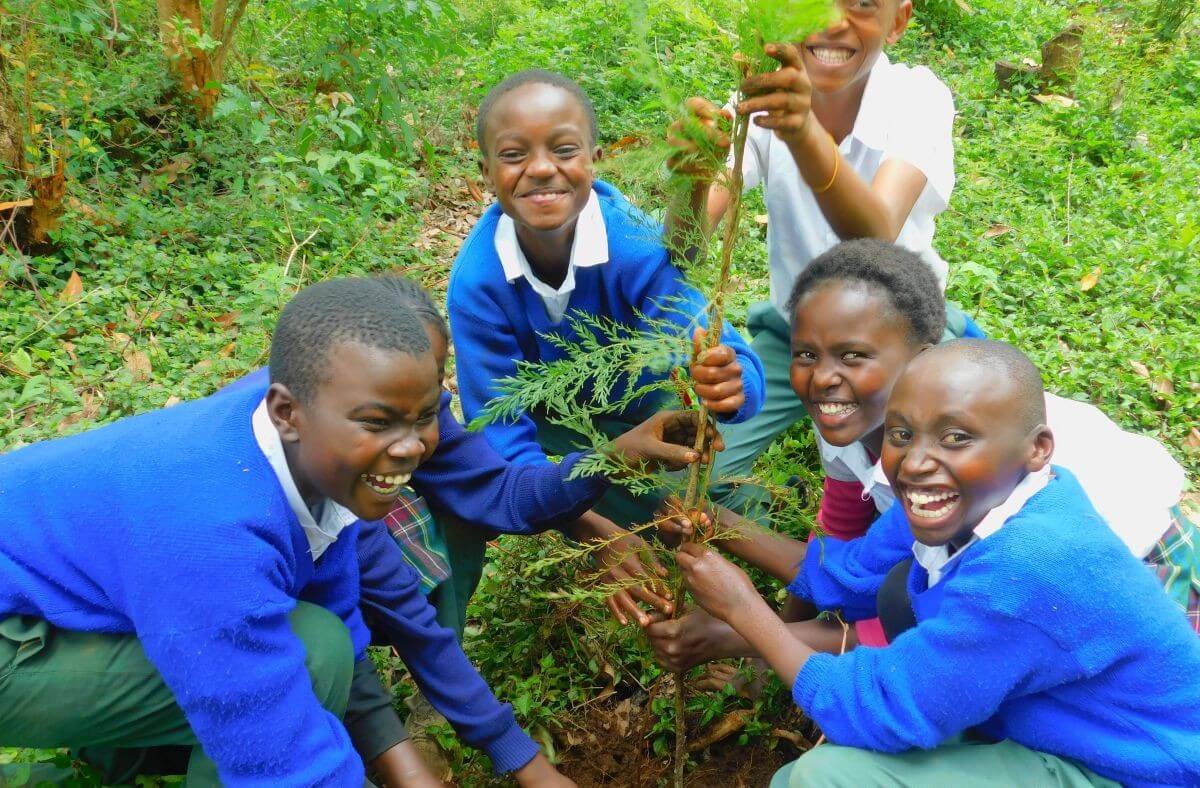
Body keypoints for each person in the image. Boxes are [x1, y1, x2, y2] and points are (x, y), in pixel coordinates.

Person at [0, 278, 570, 787]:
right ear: (286, 413)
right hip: (14, 635)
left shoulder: (312, 456)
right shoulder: (214, 532)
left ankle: (112, 760)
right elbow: (274, 748)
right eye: (376, 422)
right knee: (295, 666)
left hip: (64, 596)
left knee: (319, 645)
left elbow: (354, 616)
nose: (411, 446)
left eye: (425, 417)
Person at [647, 240, 1196, 672]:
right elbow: (839, 554)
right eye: (806, 355)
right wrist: (711, 523)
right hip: (1015, 588)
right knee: (890, 588)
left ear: (923, 358)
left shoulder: (995, 464)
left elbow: (945, 639)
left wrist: (747, 635)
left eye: (854, 356)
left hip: (1148, 572)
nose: (823, 379)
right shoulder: (856, 421)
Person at [675, 340, 1200, 787]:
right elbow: (846, 578)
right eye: (901, 434)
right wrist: (704, 517)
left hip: (1132, 768)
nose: (918, 461)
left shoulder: (1028, 567)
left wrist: (743, 610)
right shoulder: (964, 496)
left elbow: (881, 710)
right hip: (1057, 720)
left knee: (823, 777)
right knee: (794, 778)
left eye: (956, 437)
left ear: (1038, 449)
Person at [664, 0, 981, 508]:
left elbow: (875, 238)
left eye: (861, 4)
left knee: (927, 488)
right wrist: (692, 180)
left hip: (899, 332)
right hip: (796, 333)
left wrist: (804, 132)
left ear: (897, 21)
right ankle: (765, 531)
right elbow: (684, 248)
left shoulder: (917, 99)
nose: (833, 21)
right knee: (690, 479)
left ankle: (952, 349)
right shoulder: (761, 98)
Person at [447, 69, 766, 546]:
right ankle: (618, 502)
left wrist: (731, 383)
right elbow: (501, 430)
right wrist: (580, 520)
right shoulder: (478, 285)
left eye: (564, 150)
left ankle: (650, 496)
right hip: (559, 425)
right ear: (485, 170)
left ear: (594, 160)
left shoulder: (633, 250)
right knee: (644, 505)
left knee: (732, 501)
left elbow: (727, 355)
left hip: (645, 404)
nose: (539, 168)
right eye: (514, 155)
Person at [378, 277, 718, 632]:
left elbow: (500, 492)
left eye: (428, 399)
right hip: (328, 603)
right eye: (377, 418)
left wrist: (613, 457)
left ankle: (432, 640)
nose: (410, 442)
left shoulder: (428, 419)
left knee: (457, 515)